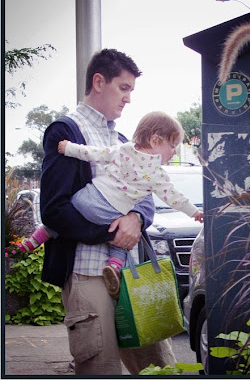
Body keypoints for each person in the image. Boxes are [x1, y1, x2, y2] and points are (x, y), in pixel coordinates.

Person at [38, 48, 176, 375]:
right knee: (100, 368)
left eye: (131, 91)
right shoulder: (65, 132)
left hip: (130, 273)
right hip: (87, 275)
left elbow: (144, 195)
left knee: (161, 367)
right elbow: (54, 209)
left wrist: (137, 219)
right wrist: (113, 233)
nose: (128, 98)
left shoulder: (125, 139)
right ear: (99, 82)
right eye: (123, 88)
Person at [21, 111, 203, 299]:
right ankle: (113, 266)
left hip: (88, 197)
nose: (174, 152)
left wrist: (68, 148)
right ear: (155, 140)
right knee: (123, 236)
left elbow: (94, 153)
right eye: (172, 146)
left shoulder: (123, 149)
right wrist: (194, 212)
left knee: (67, 215)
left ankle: (36, 239)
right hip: (110, 211)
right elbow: (175, 197)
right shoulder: (157, 174)